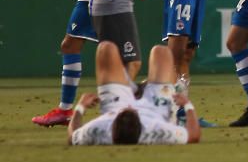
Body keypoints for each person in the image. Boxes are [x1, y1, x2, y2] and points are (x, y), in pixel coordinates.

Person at [67, 41, 200, 145]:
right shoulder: (157, 131)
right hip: (155, 111)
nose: (130, 106)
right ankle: (138, 89)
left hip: (115, 107)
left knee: (106, 48)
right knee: (161, 52)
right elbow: (194, 135)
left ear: (112, 125)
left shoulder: (99, 131)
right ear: (141, 125)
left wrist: (80, 107)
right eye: (132, 110)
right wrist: (187, 106)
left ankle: (134, 89)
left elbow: (72, 135)